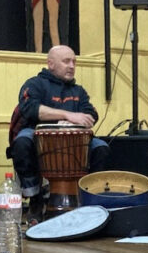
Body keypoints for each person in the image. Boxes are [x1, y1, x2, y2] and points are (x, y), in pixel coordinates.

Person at [10, 44, 108, 222]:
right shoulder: (35, 84)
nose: (71, 66)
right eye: (66, 61)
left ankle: (89, 199)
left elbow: (91, 114)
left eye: (74, 62)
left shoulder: (78, 91)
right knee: (22, 142)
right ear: (51, 64)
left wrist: (74, 122)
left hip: (75, 140)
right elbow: (31, 109)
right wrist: (67, 115)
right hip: (38, 136)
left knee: (101, 147)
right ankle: (35, 198)